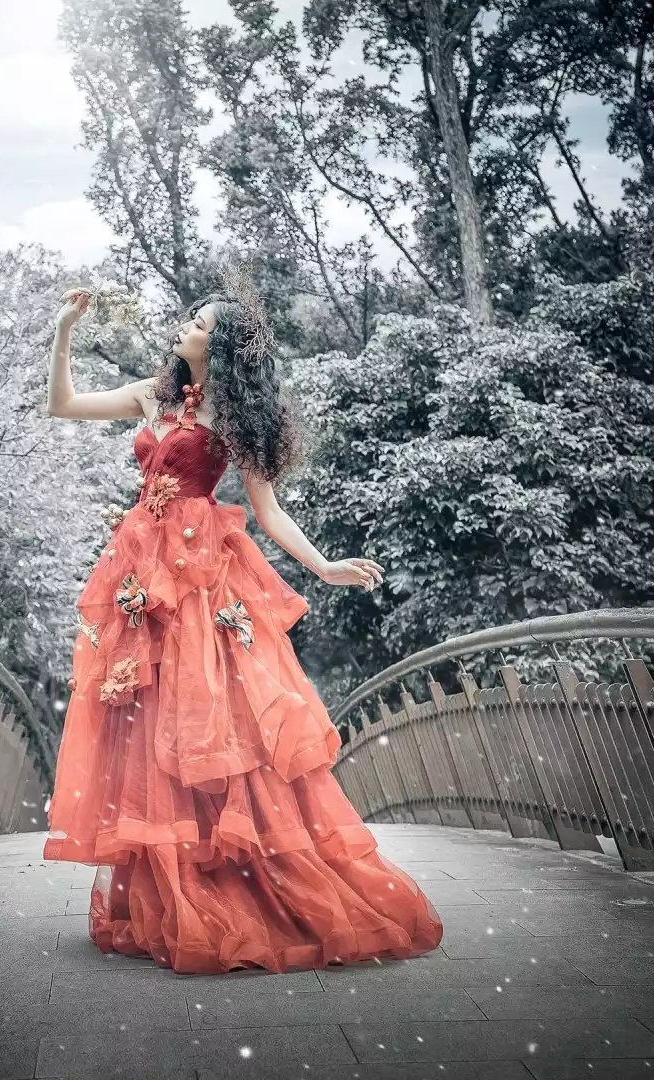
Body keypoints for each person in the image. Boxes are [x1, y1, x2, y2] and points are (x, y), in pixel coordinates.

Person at [40, 270, 443, 974]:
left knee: (218, 722)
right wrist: (66, 332)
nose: (185, 326)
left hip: (203, 580)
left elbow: (268, 510)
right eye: (190, 318)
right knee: (148, 720)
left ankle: (236, 882)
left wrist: (322, 567)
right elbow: (64, 404)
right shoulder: (150, 395)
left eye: (198, 322)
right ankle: (171, 887)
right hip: (143, 573)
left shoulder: (231, 419)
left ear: (220, 346)